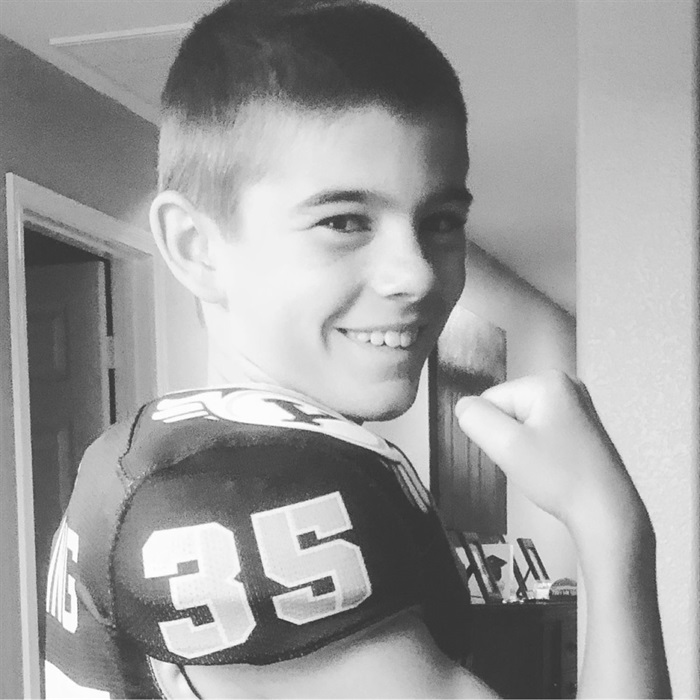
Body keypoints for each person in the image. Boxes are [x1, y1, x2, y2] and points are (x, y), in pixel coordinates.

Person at [44, 0, 671, 697]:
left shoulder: (179, 452)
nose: (418, 274)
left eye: (440, 221)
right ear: (197, 247)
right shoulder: (227, 496)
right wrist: (612, 526)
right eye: (344, 221)